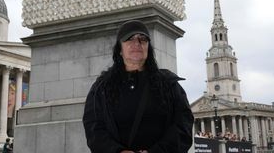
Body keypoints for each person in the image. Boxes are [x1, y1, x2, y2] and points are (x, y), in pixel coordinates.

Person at [83, 20, 194, 153]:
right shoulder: (101, 88)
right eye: (129, 39)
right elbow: (93, 128)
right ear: (120, 50)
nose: (137, 43)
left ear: (148, 48)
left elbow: (183, 126)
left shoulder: (168, 84)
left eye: (143, 39)